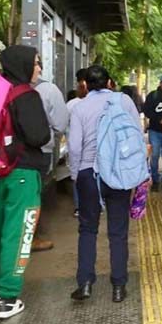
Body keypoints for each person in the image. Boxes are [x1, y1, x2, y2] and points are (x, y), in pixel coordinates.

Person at [0, 45, 51, 320]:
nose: (39, 68)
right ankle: (8, 298)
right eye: (36, 63)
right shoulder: (26, 95)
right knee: (18, 234)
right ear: (23, 65)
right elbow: (39, 136)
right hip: (23, 174)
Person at [67, 65, 142, 304]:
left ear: (85, 85)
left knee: (88, 229)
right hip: (119, 174)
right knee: (118, 232)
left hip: (89, 174)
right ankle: (119, 286)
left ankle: (85, 283)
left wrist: (76, 175)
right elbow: (136, 137)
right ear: (110, 82)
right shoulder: (124, 101)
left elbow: (75, 147)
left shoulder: (79, 108)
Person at [32, 75, 69, 251]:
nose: (39, 68)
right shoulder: (47, 89)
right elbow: (60, 124)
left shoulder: (2, 86)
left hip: (8, 155)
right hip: (40, 151)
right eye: (36, 63)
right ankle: (31, 237)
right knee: (34, 194)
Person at [66, 68, 88, 218]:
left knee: (76, 176)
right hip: (93, 149)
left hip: (75, 148)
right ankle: (96, 205)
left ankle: (79, 207)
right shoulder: (101, 103)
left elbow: (61, 123)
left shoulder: (71, 104)